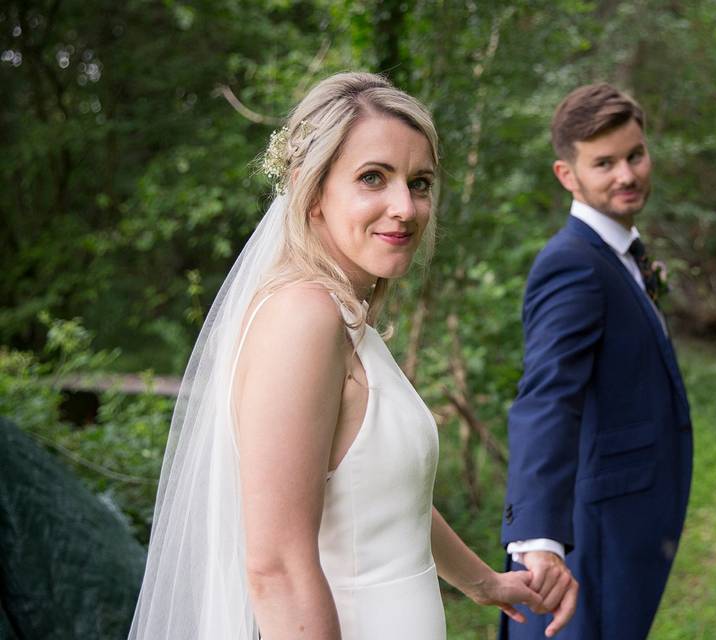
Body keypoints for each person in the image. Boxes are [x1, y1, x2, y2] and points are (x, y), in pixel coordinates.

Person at [128, 72, 574, 640]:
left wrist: (484, 583)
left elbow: (389, 500)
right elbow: (277, 568)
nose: (405, 208)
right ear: (311, 190)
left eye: (419, 183)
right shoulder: (302, 318)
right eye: (373, 178)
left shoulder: (343, 318)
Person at [500, 83, 694, 639]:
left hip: (629, 522)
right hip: (592, 532)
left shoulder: (621, 253)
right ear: (568, 175)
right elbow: (547, 396)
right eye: (603, 163)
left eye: (635, 155)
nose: (626, 175)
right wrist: (538, 538)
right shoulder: (572, 265)